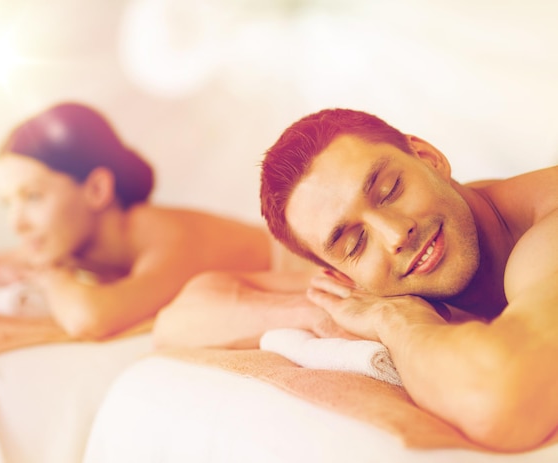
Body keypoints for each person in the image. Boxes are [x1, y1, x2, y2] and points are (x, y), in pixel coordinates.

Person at [153, 108, 558, 451]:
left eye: (390, 190)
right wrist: (318, 309)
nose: (396, 235)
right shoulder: (377, 280)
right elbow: (178, 322)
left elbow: (499, 399)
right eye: (353, 243)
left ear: (428, 157)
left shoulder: (545, 229)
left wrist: (395, 320)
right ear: (338, 272)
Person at [0, 102, 271, 339]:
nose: (16, 224)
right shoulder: (77, 241)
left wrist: (53, 278)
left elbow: (92, 319)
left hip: (299, 265)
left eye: (33, 197)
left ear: (96, 189)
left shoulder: (166, 236)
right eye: (8, 203)